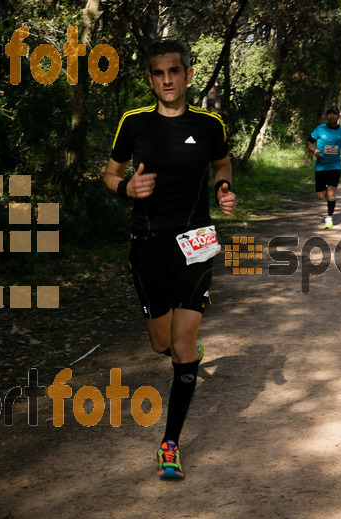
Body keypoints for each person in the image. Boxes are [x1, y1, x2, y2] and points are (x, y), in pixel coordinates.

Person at [102, 39, 237, 480]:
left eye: (174, 72)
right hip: (148, 243)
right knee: (160, 344)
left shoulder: (209, 123)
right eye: (159, 74)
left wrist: (222, 189)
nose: (167, 80)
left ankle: (169, 444)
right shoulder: (134, 123)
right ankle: (183, 350)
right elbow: (110, 174)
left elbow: (222, 163)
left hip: (197, 238)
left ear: (187, 75)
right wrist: (126, 190)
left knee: (181, 349)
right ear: (150, 79)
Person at [307, 106, 341, 229]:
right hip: (321, 166)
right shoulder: (319, 129)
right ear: (327, 115)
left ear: (338, 116)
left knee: (331, 193)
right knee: (320, 196)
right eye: (330, 114)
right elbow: (309, 142)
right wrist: (314, 150)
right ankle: (328, 195)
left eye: (334, 114)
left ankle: (329, 217)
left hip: (335, 166)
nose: (332, 116)